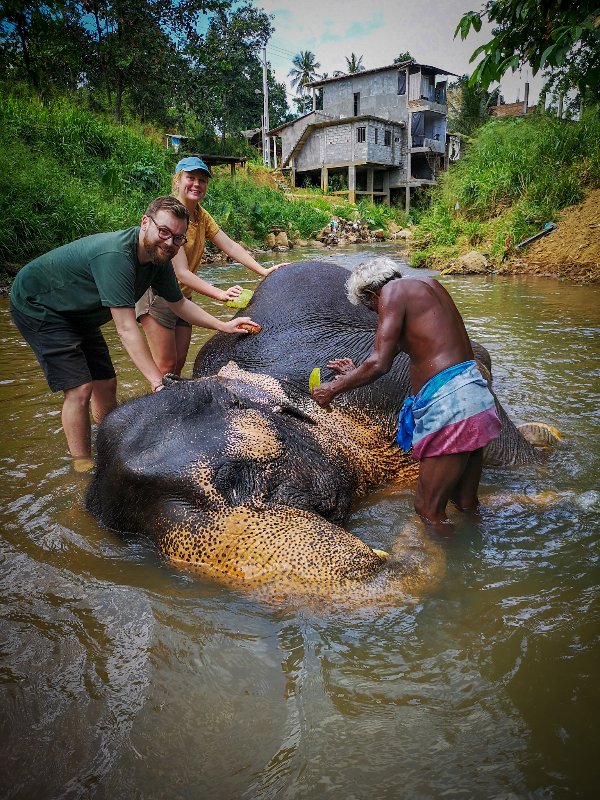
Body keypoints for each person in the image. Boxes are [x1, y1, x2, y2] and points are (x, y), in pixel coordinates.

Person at [10, 195, 258, 471]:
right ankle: (82, 464)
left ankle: (109, 442)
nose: (169, 242)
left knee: (106, 383)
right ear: (145, 223)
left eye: (178, 238)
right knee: (80, 388)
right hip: (41, 304)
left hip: (79, 311)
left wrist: (223, 326)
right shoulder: (117, 257)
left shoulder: (159, 261)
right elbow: (126, 328)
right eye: (164, 231)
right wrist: (157, 382)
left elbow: (180, 304)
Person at [311, 257, 501, 527]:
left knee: (428, 510)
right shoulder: (429, 286)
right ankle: (478, 560)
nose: (378, 314)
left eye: (372, 309)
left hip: (451, 405)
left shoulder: (392, 293)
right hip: (474, 396)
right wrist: (353, 372)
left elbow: (379, 363)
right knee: (466, 503)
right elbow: (398, 350)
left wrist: (332, 388)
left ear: (371, 294)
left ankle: (443, 569)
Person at [136, 156, 288, 375]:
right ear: (178, 180)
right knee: (165, 366)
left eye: (202, 180)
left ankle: (171, 407)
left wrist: (263, 270)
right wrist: (220, 294)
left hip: (183, 298)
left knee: (177, 365)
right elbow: (182, 272)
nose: (197, 184)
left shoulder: (200, 215)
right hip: (157, 297)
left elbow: (230, 246)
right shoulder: (171, 216)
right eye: (191, 178)